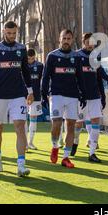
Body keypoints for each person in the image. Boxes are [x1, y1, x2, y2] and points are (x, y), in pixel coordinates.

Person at [0, 21, 34, 177]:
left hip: (18, 94)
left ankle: (21, 165)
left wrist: (30, 91)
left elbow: (25, 71)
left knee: (20, 126)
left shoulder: (21, 48)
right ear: (3, 31)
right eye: (8, 33)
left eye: (14, 33)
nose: (11, 36)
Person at [42, 29, 86, 168]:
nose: (66, 41)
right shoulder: (52, 56)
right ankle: (55, 146)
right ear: (59, 39)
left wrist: (83, 94)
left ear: (72, 40)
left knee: (70, 125)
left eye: (69, 38)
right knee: (56, 124)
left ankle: (66, 157)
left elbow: (80, 77)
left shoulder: (77, 57)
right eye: (64, 38)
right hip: (56, 95)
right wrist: (43, 94)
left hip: (72, 96)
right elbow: (46, 76)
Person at [72, 33, 108, 163]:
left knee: (96, 122)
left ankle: (92, 153)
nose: (91, 44)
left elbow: (100, 75)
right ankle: (75, 141)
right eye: (88, 42)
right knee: (78, 123)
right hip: (81, 96)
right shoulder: (77, 56)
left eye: (93, 42)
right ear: (83, 41)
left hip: (95, 95)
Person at [26, 48, 44, 150]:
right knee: (22, 120)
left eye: (32, 58)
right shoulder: (22, 65)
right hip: (23, 95)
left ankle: (30, 142)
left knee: (33, 119)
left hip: (36, 96)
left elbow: (43, 80)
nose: (30, 60)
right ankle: (24, 143)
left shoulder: (40, 66)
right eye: (28, 58)